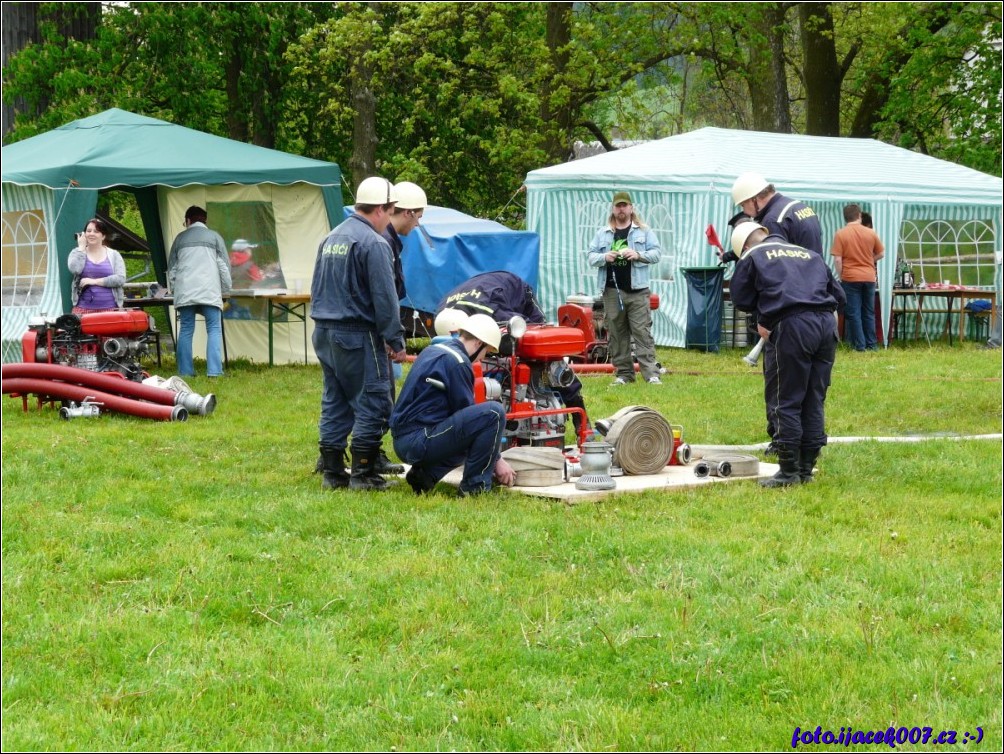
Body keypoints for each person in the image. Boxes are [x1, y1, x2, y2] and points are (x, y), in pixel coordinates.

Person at [728, 222, 846, 487]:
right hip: (826, 325)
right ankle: (806, 468)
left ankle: (789, 472)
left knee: (787, 399)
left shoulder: (752, 255)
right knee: (814, 398)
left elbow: (741, 298)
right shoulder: (808, 253)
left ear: (744, 246)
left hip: (794, 326)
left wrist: (766, 315)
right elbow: (839, 295)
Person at [311, 176, 407, 492]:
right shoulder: (374, 243)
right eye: (391, 211)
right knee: (375, 398)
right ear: (381, 209)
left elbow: (317, 288)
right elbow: (385, 297)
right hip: (356, 334)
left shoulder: (331, 238)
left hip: (324, 331)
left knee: (335, 399)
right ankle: (364, 474)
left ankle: (333, 471)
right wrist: (395, 339)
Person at [437, 271, 591, 435]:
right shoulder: (443, 314)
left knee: (543, 350)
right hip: (485, 288)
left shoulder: (492, 311)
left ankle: (579, 415)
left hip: (509, 290)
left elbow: (517, 326)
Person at [390, 313, 517, 496]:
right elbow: (470, 421)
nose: (482, 357)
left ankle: (423, 477)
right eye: (485, 352)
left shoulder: (434, 349)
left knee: (467, 433)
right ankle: (475, 488)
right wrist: (498, 460)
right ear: (478, 343)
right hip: (418, 440)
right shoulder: (457, 362)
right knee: (493, 414)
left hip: (404, 440)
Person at [586, 191, 663, 385]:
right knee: (617, 334)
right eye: (618, 206)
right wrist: (605, 257)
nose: (621, 209)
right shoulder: (602, 233)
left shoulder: (644, 231)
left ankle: (651, 374)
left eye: (624, 205)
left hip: (638, 290)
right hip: (612, 291)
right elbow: (590, 256)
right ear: (613, 209)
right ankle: (624, 374)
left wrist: (637, 254)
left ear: (631, 208)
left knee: (642, 332)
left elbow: (656, 254)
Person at [167, 206, 232, 377]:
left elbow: (172, 269)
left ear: (188, 221)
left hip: (185, 292)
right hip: (210, 291)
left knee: (187, 329)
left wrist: (174, 289)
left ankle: (186, 372)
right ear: (205, 220)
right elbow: (224, 267)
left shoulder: (179, 239)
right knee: (214, 329)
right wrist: (225, 290)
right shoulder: (215, 237)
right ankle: (215, 372)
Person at [831, 203, 885, 351]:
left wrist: (841, 275)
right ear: (859, 216)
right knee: (868, 311)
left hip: (850, 277)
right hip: (869, 277)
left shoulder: (840, 234)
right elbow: (881, 253)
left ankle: (860, 346)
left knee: (854, 313)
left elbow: (837, 259)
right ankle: (872, 344)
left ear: (845, 218)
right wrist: (869, 260)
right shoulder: (871, 233)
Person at [730, 173, 823, 255]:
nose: (745, 212)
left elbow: (775, 266)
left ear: (753, 199)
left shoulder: (773, 220)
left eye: (743, 205)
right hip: (818, 271)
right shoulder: (800, 206)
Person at [67, 218, 126, 314]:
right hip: (82, 310)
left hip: (111, 310)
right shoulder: (77, 252)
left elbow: (120, 279)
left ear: (103, 236)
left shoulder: (114, 255)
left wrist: (94, 281)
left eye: (96, 231)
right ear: (84, 234)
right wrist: (81, 248)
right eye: (88, 231)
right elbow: (75, 269)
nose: (91, 234)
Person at [382, 181, 427, 301]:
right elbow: (383, 295)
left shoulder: (385, 237)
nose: (418, 224)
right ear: (408, 213)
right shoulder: (384, 242)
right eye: (418, 217)